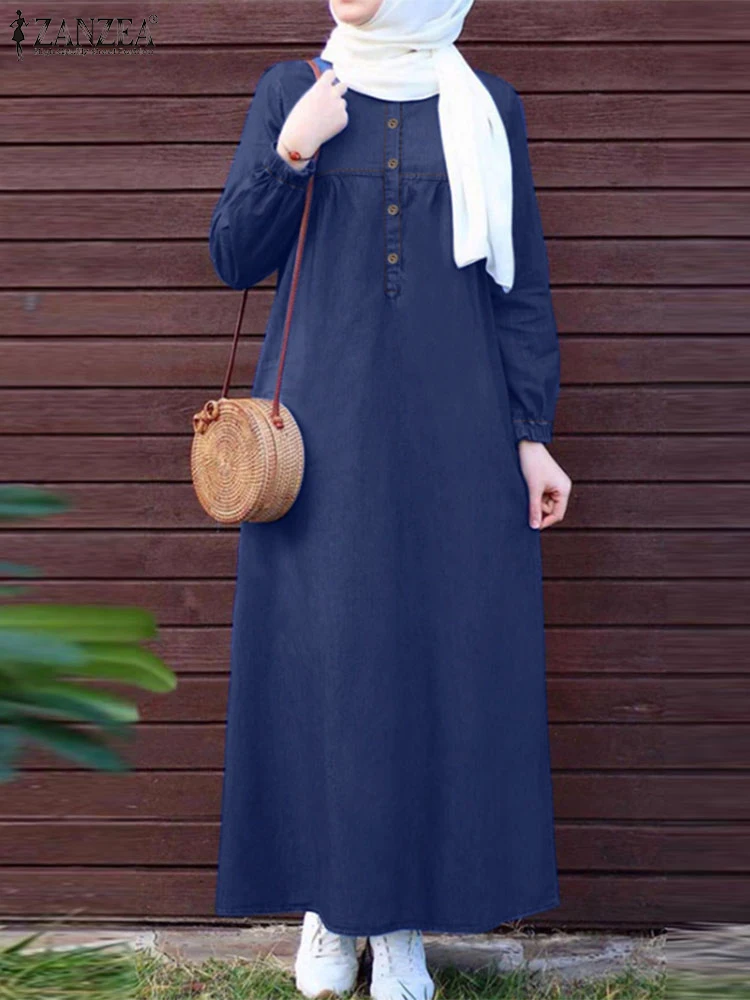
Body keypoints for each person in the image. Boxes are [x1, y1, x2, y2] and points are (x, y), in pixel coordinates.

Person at [207, 1, 572, 997]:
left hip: (456, 441)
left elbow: (521, 283)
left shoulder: (487, 106)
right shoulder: (296, 90)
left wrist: (531, 435)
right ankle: (334, 912)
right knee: (331, 670)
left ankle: (400, 920)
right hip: (319, 442)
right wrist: (292, 151)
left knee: (428, 671)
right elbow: (233, 255)